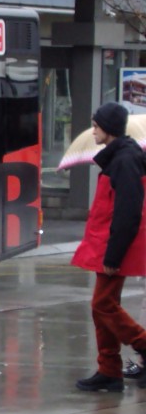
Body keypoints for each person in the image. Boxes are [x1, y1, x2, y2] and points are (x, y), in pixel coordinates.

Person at [72, 101, 146, 392]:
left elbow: (128, 212)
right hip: (109, 243)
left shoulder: (125, 161)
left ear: (109, 129)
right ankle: (109, 370)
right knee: (102, 307)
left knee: (102, 304)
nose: (93, 131)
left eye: (96, 126)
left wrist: (113, 255)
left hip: (114, 246)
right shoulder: (120, 157)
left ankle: (140, 345)